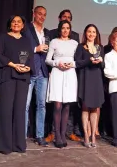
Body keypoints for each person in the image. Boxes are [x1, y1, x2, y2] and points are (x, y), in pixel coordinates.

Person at [0, 15, 34, 154]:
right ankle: (5, 146)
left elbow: (30, 58)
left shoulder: (27, 41)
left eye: (19, 22)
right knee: (6, 110)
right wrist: (12, 64)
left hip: (22, 78)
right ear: (10, 24)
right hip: (7, 76)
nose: (16, 24)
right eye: (13, 22)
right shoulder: (3, 38)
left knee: (20, 110)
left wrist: (28, 67)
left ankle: (19, 145)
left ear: (23, 25)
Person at [46, 9, 81, 143]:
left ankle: (62, 134)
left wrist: (70, 64)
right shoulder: (54, 41)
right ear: (60, 29)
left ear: (70, 30)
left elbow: (78, 60)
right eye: (63, 28)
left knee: (67, 106)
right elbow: (48, 59)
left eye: (68, 28)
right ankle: (57, 137)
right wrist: (58, 63)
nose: (65, 30)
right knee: (58, 105)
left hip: (70, 74)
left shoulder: (74, 43)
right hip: (57, 73)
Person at [75, 24, 105, 148]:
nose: (91, 34)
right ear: (85, 33)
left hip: (96, 79)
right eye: (89, 31)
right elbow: (77, 63)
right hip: (85, 78)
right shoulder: (81, 47)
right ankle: (86, 135)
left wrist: (101, 62)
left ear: (96, 34)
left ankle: (93, 135)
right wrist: (89, 60)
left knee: (95, 108)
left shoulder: (100, 48)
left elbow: (103, 67)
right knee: (85, 108)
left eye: (93, 32)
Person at [23, 6, 50, 146]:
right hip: (29, 70)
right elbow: (20, 46)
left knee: (41, 105)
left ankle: (40, 135)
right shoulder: (26, 29)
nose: (42, 17)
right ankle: (22, 136)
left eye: (44, 15)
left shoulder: (47, 32)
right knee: (25, 105)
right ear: (34, 14)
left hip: (43, 72)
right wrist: (35, 49)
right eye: (39, 14)